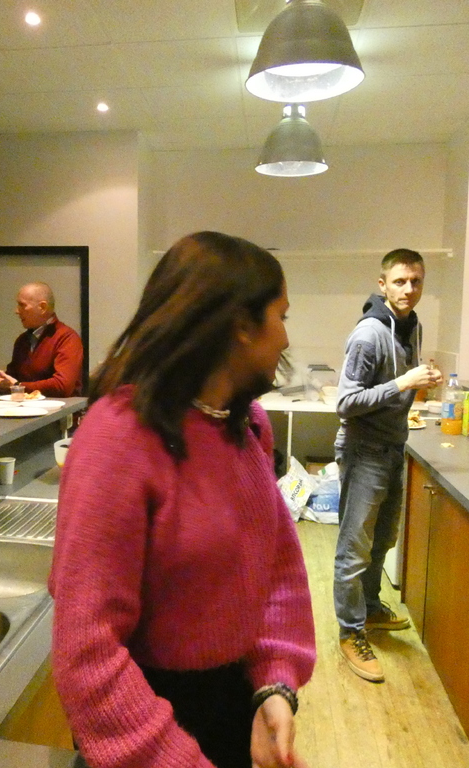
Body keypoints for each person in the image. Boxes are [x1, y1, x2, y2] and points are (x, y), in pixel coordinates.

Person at [49, 232, 316, 768]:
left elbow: (274, 568)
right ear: (240, 325)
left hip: (229, 704)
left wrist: (273, 683)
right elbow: (87, 647)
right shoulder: (118, 436)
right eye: (281, 316)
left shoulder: (246, 426)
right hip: (142, 721)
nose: (286, 337)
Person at [333, 248, 443, 683]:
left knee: (383, 539)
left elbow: (396, 389)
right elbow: (345, 402)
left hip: (394, 446)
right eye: (399, 281)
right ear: (382, 285)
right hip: (364, 452)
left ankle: (371, 608)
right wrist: (403, 382)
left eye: (416, 281)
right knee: (354, 547)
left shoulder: (412, 326)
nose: (409, 289)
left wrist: (420, 382)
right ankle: (350, 631)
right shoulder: (369, 334)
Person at [0, 282, 83, 397]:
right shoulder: (22, 340)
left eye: (22, 305)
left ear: (42, 307)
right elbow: (13, 377)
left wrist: (17, 386)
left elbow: (63, 386)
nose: (16, 311)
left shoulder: (67, 338)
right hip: (25, 406)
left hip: (61, 407)